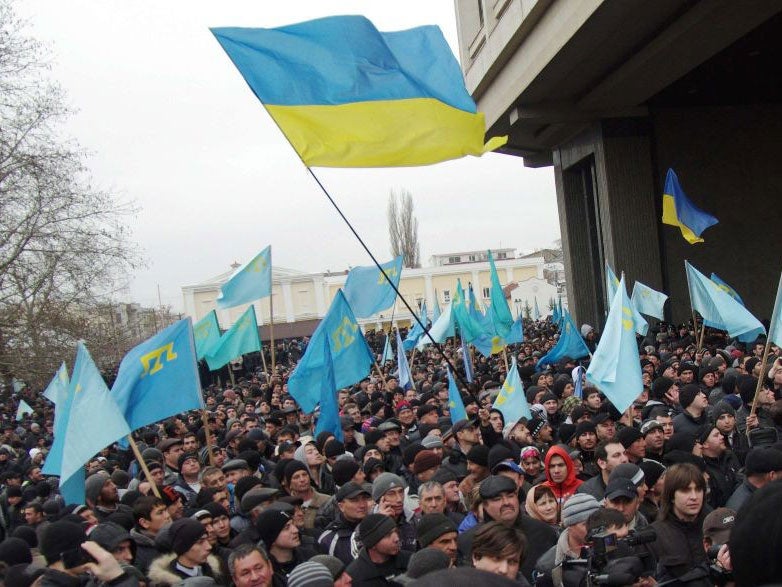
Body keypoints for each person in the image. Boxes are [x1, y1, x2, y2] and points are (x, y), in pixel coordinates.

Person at [647, 463, 711, 586]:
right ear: (671, 496)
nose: (694, 497)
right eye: (685, 490)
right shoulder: (655, 535)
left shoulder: (713, 525)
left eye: (698, 490)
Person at [148, 517, 224, 584]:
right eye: (200, 542)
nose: (209, 547)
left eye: (207, 540)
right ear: (183, 547)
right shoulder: (165, 583)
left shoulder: (215, 571)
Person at [346, 513, 412, 586]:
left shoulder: (411, 561)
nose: (396, 539)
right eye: (388, 535)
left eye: (396, 531)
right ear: (372, 544)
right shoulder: (354, 576)